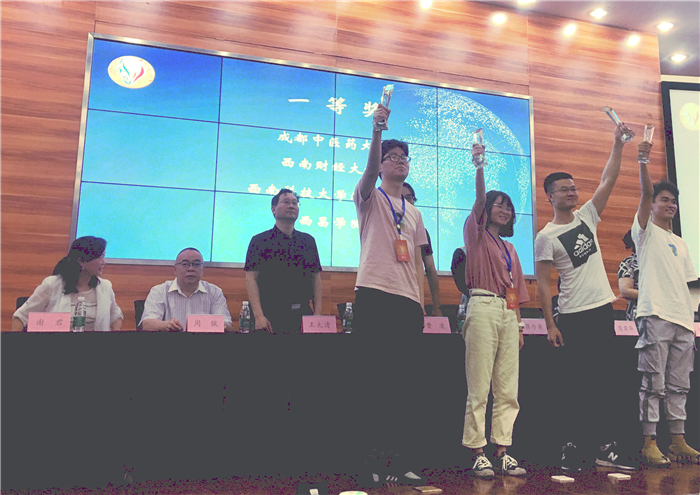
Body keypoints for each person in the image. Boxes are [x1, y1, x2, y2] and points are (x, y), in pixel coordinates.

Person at [534, 123, 636, 472]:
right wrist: (550, 325)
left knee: (604, 383)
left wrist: (617, 144)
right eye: (564, 189)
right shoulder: (546, 236)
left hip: (601, 311)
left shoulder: (587, 216)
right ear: (550, 196)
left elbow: (608, 179)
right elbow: (543, 285)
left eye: (573, 188)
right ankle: (571, 446)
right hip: (572, 317)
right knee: (575, 386)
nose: (571, 193)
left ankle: (605, 447)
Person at [352, 103, 428, 487]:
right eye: (392, 157)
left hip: (407, 303)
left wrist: (421, 304)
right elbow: (367, 172)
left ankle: (400, 460)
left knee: (404, 387)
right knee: (373, 382)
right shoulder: (369, 196)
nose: (400, 162)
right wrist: (377, 130)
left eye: (404, 158)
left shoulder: (414, 213)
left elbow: (417, 263)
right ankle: (371, 460)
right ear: (381, 166)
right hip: (374, 295)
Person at [461, 141, 528, 478]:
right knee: (479, 385)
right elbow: (477, 201)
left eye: (508, 207)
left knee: (507, 387)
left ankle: (502, 449)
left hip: (506, 313)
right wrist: (479, 166)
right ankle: (477, 451)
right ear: (486, 210)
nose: (504, 210)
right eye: (497, 205)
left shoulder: (511, 248)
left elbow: (515, 292)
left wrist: (518, 326)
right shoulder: (475, 234)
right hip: (483, 305)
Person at [631, 139, 699, 467]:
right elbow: (645, 192)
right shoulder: (645, 231)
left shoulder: (681, 243)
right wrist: (643, 159)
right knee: (652, 382)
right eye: (664, 199)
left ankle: (678, 440)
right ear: (653, 204)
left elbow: (690, 285)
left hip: (683, 320)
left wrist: (693, 317)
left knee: (679, 384)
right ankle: (649, 442)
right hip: (655, 314)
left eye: (674, 201)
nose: (670, 204)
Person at [244, 188, 322, 334]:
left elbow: (315, 279)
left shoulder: (308, 241)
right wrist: (259, 316)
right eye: (286, 202)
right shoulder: (259, 241)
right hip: (269, 317)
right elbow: (251, 279)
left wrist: (317, 314)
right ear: (273, 209)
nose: (291, 206)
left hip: (303, 316)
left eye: (295, 203)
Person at [13, 236, 123, 332]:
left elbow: (116, 316)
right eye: (99, 257)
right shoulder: (52, 284)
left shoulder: (105, 287)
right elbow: (20, 317)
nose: (104, 262)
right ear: (81, 262)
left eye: (103, 256)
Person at [140, 247, 233, 332]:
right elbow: (147, 324)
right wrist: (166, 325)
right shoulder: (159, 291)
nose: (191, 268)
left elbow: (228, 326)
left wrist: (218, 325)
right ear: (175, 269)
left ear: (203, 269)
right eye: (185, 264)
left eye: (196, 264)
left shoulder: (215, 292)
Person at [402, 181, 442, 316]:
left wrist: (436, 307)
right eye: (400, 198)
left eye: (409, 198)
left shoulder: (421, 232)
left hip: (413, 299)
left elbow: (430, 269)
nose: (405, 202)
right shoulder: (385, 228)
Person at [617, 230, 639, 322]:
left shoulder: (661, 261)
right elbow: (625, 290)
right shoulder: (629, 262)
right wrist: (654, 296)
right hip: (638, 315)